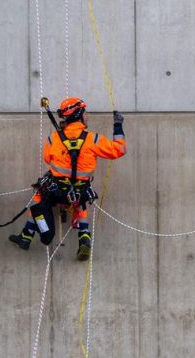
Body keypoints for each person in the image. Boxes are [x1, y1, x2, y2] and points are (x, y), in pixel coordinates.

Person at [8, 98, 125, 260]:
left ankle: (26, 235)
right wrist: (118, 125)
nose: (87, 116)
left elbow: (47, 159)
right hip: (80, 190)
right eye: (85, 113)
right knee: (81, 201)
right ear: (79, 115)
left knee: (39, 195)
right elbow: (119, 149)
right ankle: (84, 237)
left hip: (56, 192)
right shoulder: (93, 139)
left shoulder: (54, 139)